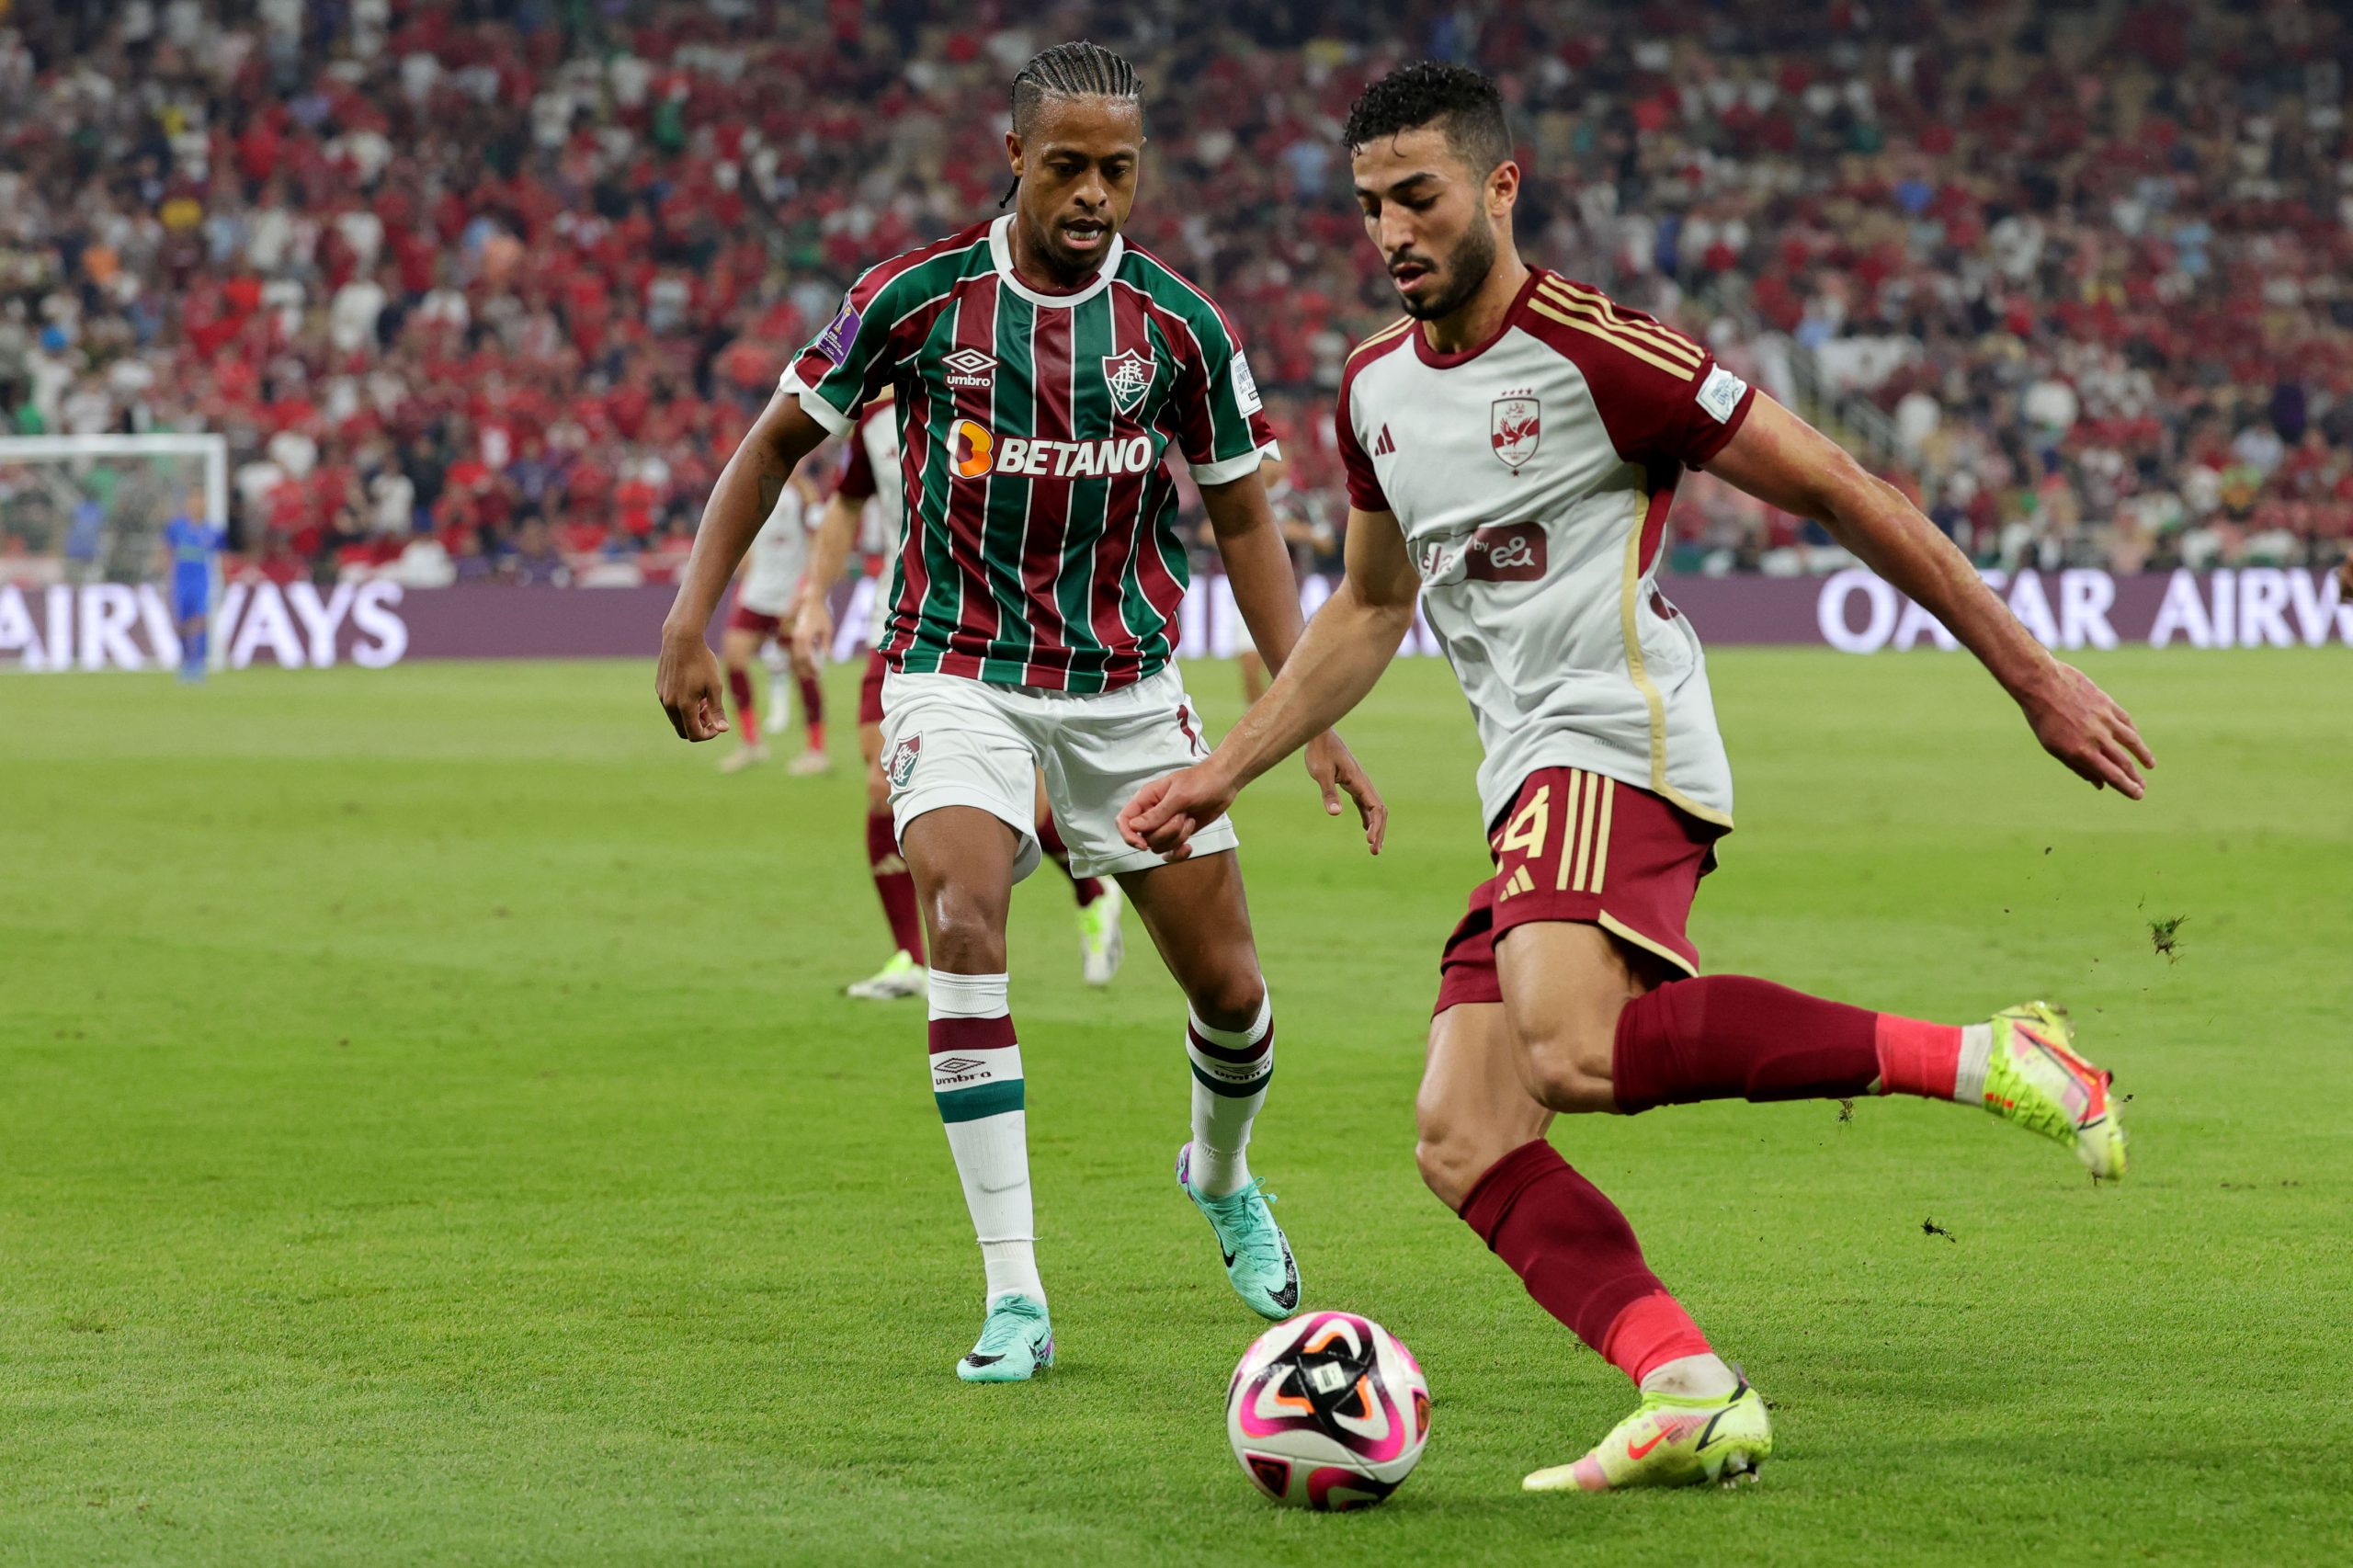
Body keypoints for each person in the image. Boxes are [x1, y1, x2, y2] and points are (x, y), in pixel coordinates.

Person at [1120, 62, 2152, 1492]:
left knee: (1571, 1052)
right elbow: (1366, 611)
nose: (1393, 233)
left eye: (1418, 197)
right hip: (1525, 775)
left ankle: (1995, 1056)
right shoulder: (1371, 389)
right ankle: (1687, 1381)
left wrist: (2033, 675)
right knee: (1464, 1132)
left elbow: (1843, 486)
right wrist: (1222, 768)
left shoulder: (1607, 353)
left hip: (1615, 732)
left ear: (1500, 187)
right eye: (1369, 209)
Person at [656, 40, 1383, 1382]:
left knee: (1230, 988)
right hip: (954, 666)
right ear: (1014, 161)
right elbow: (776, 444)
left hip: (1124, 688)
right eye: (1068, 166)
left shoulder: (1180, 329)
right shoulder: (916, 300)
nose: (1095, 192)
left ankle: (1218, 1175)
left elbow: (1244, 519)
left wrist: (1305, 710)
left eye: (1117, 168)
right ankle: (1015, 1294)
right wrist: (690, 618)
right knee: (962, 916)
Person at [796, 394, 1128, 1002]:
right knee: (882, 783)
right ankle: (910, 958)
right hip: (896, 618)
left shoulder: (987, 388)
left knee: (1010, 809)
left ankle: (1091, 889)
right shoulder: (872, 414)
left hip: (983, 620)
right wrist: (815, 593)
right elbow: (847, 502)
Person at [715, 456, 828, 776]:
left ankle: (816, 750)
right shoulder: (758, 493)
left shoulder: (805, 498)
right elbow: (747, 539)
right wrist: (744, 575)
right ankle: (751, 744)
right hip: (757, 593)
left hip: (791, 596)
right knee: (734, 658)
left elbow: (821, 544)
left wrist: (808, 590)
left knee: (803, 668)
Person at [160, 496, 225, 683]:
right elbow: (167, 551)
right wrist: (167, 574)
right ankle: (185, 661)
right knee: (180, 624)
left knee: (198, 621)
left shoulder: (212, 531)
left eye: (200, 504)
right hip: (180, 581)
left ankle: (197, 665)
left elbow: (222, 555)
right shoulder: (176, 528)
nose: (196, 506)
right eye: (193, 503)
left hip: (201, 581)